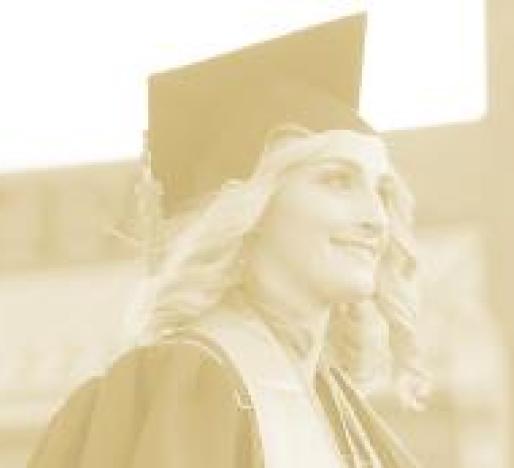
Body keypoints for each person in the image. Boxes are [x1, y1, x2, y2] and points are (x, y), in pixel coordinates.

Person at [28, 13, 427, 468]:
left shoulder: (350, 419)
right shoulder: (181, 390)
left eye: (381, 190)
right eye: (336, 181)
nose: (377, 218)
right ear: (251, 208)